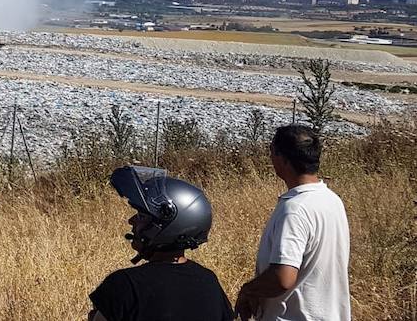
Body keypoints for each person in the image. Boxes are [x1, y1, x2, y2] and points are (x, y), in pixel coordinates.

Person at [88, 165, 235, 321]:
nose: (131, 221)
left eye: (142, 216)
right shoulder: (209, 281)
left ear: (166, 224)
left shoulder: (125, 285)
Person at [235, 125, 351, 320]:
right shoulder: (332, 199)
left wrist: (248, 291)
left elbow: (283, 277)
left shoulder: (295, 209)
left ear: (283, 159)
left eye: (272, 151)